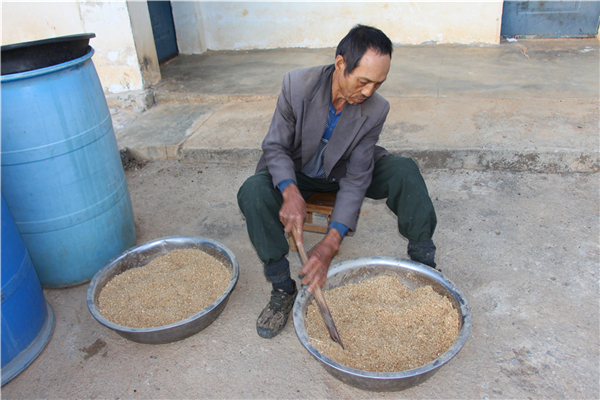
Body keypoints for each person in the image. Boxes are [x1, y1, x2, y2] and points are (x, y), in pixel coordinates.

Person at [237, 24, 437, 339]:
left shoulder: (376, 108)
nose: (370, 91)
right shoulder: (297, 84)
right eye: (364, 81)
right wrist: (289, 191)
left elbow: (358, 178)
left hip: (343, 171)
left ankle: (425, 262)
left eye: (378, 83)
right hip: (298, 172)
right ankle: (282, 288)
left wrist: (331, 242)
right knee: (253, 192)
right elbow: (275, 146)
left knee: (404, 171)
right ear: (341, 63)